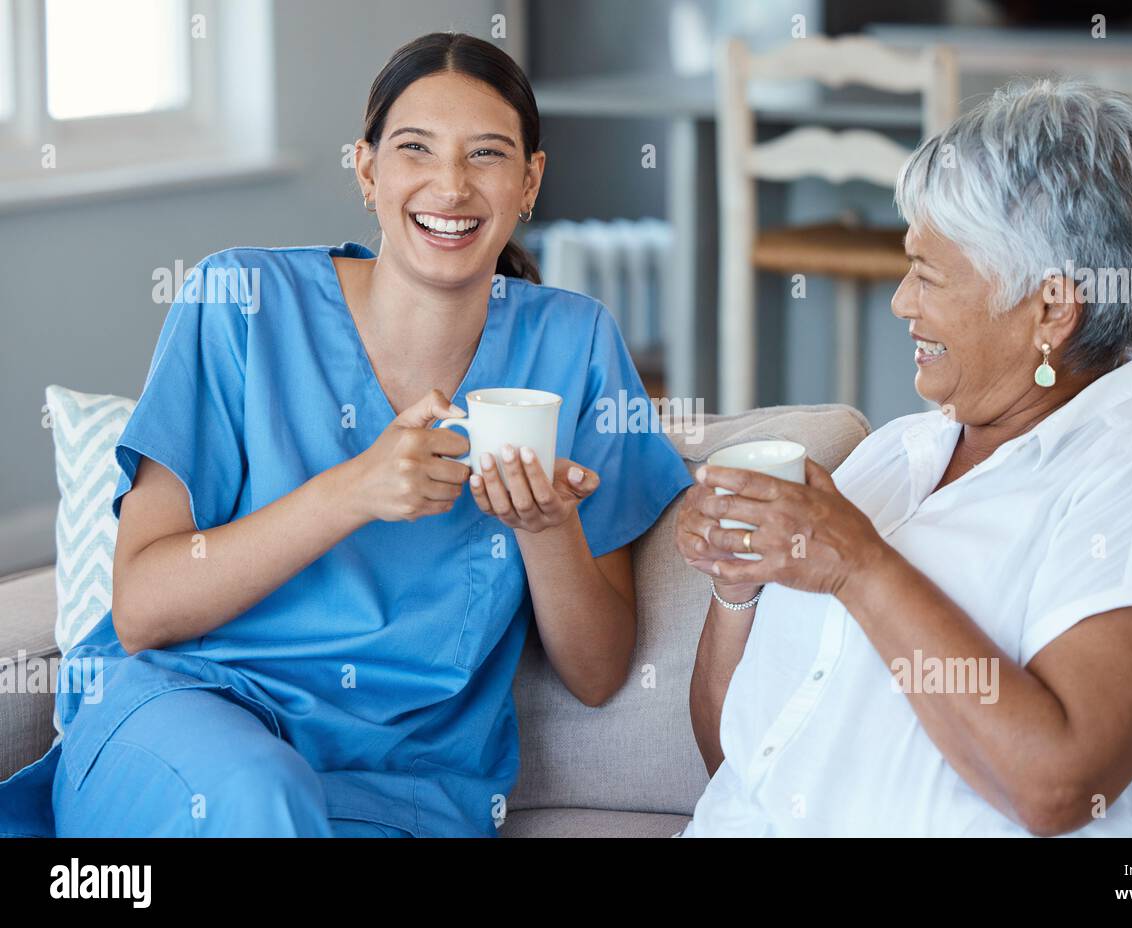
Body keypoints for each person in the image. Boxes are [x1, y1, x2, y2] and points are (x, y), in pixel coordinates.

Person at [0, 32, 691, 838]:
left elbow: (601, 673)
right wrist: (353, 490)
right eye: (415, 149)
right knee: (259, 798)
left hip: (403, 786)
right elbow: (143, 610)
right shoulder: (241, 300)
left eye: (488, 155)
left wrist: (547, 530)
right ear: (367, 170)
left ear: (530, 180)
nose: (451, 184)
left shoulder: (576, 345)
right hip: (191, 727)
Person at [675, 80, 1132, 837]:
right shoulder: (894, 456)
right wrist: (737, 588)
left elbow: (1057, 789)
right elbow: (735, 759)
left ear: (1050, 308)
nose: (900, 303)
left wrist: (858, 564)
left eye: (929, 274)